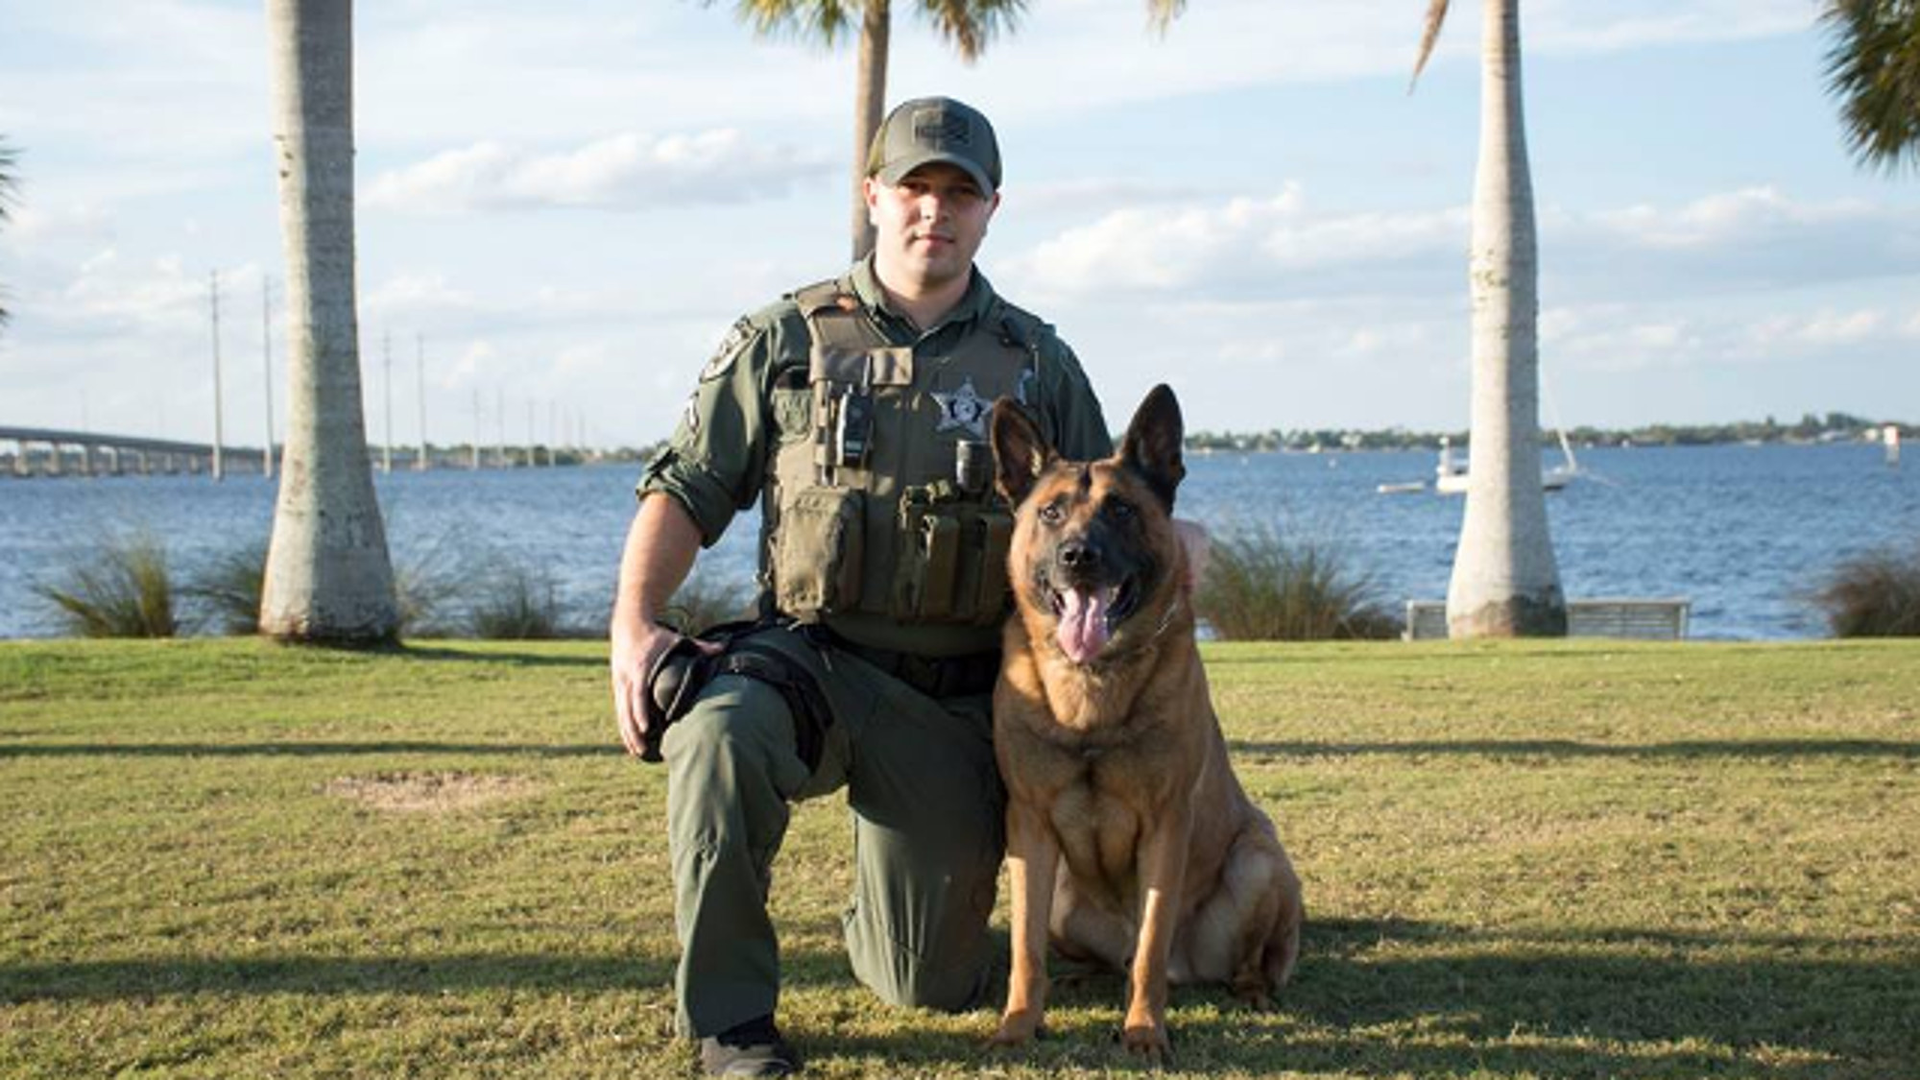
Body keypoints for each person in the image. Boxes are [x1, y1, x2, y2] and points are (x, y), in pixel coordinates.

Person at [608, 96, 1114, 1077]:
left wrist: (1174, 547)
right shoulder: (784, 340)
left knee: (923, 979)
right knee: (713, 736)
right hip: (810, 665)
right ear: (873, 194)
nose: (936, 210)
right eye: (916, 187)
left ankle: (886, 907)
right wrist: (634, 625)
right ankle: (731, 1027)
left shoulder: (1038, 361)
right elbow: (686, 487)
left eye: (959, 191)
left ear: (991, 207)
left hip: (961, 697)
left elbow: (1106, 515)